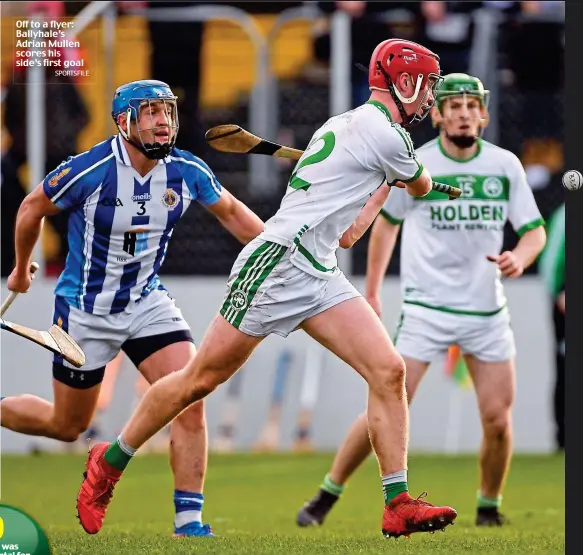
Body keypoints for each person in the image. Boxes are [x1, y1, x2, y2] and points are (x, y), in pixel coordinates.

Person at [76, 39, 459, 540]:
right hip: (276, 265)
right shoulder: (385, 136)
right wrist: (403, 177)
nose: (429, 97)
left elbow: (346, 235)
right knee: (198, 381)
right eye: (427, 85)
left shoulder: (349, 128)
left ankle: (397, 502)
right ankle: (110, 461)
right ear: (404, 82)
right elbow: (425, 186)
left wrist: (383, 183)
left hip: (318, 269)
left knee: (388, 371)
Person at [1, 80, 265, 538]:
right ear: (124, 122)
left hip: (147, 302)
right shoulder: (91, 169)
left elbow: (235, 215)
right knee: (67, 425)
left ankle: (189, 524)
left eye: (167, 112)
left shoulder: (187, 171)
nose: (164, 122)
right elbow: (30, 207)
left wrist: (277, 253)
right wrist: (21, 268)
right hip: (85, 312)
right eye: (151, 113)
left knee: (189, 398)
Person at [296, 73, 546, 528]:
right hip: (425, 309)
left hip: (487, 311)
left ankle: (488, 506)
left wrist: (520, 258)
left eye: (472, 105)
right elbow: (386, 226)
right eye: (453, 105)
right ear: (437, 114)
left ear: (484, 115)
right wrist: (371, 290)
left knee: (497, 419)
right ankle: (326, 494)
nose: (464, 113)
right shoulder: (412, 159)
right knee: (387, 398)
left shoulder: (505, 165)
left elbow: (534, 231)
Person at [538, 203, 565, 452]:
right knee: (567, 371)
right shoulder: (565, 215)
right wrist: (560, 291)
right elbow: (551, 261)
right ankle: (564, 437)